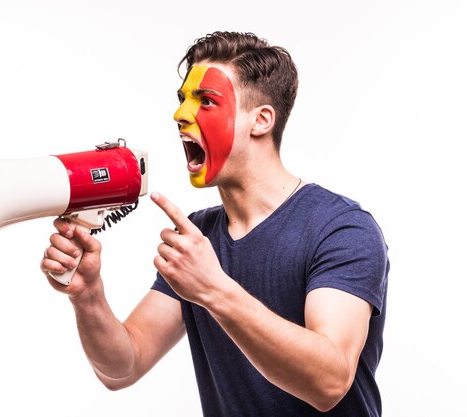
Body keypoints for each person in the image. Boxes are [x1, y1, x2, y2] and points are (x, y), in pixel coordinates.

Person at [40, 31, 389, 417]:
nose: (180, 116)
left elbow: (330, 381)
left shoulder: (341, 229)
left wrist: (213, 289)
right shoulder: (199, 236)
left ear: (261, 120)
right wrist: (87, 294)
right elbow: (124, 367)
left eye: (205, 101)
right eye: (182, 100)